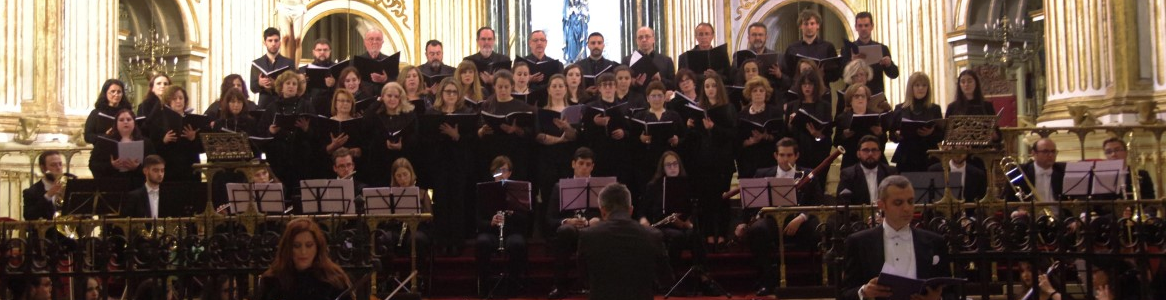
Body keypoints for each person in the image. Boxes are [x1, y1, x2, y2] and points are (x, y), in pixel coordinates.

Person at [840, 175, 951, 300]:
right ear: (882, 205)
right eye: (898, 203)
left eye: (910, 201)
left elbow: (951, 292)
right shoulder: (858, 242)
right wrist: (864, 291)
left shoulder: (935, 242)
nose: (907, 208)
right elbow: (845, 294)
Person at [736, 138, 824, 296]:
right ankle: (768, 279)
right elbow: (751, 204)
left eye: (789, 155)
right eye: (782, 155)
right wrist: (744, 222)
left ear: (797, 156)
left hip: (799, 222)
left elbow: (817, 203)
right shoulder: (762, 174)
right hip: (772, 221)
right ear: (775, 155)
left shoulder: (808, 175)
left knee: (820, 230)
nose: (785, 159)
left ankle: (817, 280)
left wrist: (802, 217)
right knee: (757, 231)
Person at [581, 183, 672, 300]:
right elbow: (666, 279)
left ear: (602, 211)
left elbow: (584, 278)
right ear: (631, 210)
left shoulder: (588, 235)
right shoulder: (653, 235)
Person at [422, 78, 476, 254]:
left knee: (458, 202)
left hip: (459, 164)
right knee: (442, 202)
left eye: (454, 92)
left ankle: (457, 242)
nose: (451, 95)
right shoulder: (432, 113)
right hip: (439, 164)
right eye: (448, 92)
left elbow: (472, 141)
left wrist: (456, 136)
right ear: (441, 94)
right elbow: (427, 139)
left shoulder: (466, 112)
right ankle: (442, 241)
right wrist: (444, 135)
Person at [545, 147, 600, 298]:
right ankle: (560, 285)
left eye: (588, 164)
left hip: (592, 231)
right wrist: (567, 221)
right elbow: (550, 219)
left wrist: (597, 221)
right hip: (570, 234)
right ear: (573, 164)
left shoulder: (600, 187)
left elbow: (607, 215)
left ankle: (598, 285)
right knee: (565, 231)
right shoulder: (559, 187)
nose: (584, 168)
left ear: (593, 167)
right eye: (581, 163)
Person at [690, 74, 737, 249]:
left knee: (722, 198)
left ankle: (723, 235)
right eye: (707, 86)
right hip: (704, 161)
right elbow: (696, 138)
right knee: (706, 200)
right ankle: (709, 235)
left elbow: (733, 134)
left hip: (722, 161)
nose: (710, 89)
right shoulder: (699, 108)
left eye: (713, 86)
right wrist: (691, 126)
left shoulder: (728, 108)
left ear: (719, 88)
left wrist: (714, 128)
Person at [474, 156, 531, 298]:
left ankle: (513, 285)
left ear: (510, 173)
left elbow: (526, 219)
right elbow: (477, 221)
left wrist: (512, 213)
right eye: (497, 171)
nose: (501, 174)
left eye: (504, 170)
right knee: (482, 242)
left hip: (512, 231)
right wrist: (491, 222)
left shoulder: (518, 191)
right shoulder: (484, 191)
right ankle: (484, 286)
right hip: (492, 232)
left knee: (517, 243)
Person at [258, 218, 353, 300]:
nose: (303, 252)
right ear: (288, 248)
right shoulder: (273, 281)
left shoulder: (334, 280)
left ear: (317, 247)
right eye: (296, 246)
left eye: (309, 245)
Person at [259, 71, 317, 200]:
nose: (291, 86)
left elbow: (317, 134)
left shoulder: (306, 105)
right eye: (288, 83)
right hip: (278, 159)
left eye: (294, 84)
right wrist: (271, 132)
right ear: (281, 86)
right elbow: (261, 136)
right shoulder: (272, 107)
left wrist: (306, 129)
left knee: (301, 197)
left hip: (301, 159)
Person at [477, 70, 536, 181]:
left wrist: (516, 129)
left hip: (515, 152)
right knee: (493, 186)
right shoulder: (487, 105)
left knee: (514, 186)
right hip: (492, 151)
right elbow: (479, 128)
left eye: (506, 87)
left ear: (512, 86)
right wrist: (482, 130)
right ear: (494, 86)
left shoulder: (522, 107)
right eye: (500, 87)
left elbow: (530, 132)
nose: (503, 90)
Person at [631, 81, 684, 191]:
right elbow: (631, 140)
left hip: (669, 161)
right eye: (653, 96)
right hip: (646, 162)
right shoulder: (639, 116)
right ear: (647, 98)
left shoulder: (674, 115)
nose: (656, 99)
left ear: (665, 97)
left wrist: (677, 140)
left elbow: (684, 137)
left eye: (660, 96)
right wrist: (640, 139)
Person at [363, 82, 419, 187]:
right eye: (389, 95)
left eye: (396, 96)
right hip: (380, 163)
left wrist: (402, 145)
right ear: (383, 96)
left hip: (402, 161)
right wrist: (378, 102)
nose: (392, 99)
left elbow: (415, 138)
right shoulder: (376, 115)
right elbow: (366, 124)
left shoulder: (409, 115)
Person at [785, 71, 833, 189]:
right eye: (804, 84)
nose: (807, 87)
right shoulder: (792, 105)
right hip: (798, 153)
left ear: (815, 86)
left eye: (810, 84)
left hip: (818, 153)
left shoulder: (825, 106)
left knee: (818, 188)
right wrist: (790, 125)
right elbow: (786, 132)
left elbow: (828, 132)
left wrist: (817, 135)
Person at [147, 85, 203, 183]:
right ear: (168, 101)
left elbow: (201, 147)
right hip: (170, 167)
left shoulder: (192, 119)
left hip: (189, 166)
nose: (178, 101)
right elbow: (152, 147)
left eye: (181, 98)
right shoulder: (159, 120)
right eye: (174, 99)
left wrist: (193, 138)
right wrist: (164, 140)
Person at [890, 72, 944, 173]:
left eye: (924, 85)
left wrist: (931, 133)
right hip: (906, 156)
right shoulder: (900, 109)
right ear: (911, 88)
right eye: (917, 85)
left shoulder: (935, 109)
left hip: (929, 156)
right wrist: (897, 135)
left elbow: (941, 135)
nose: (921, 88)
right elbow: (892, 135)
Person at [89, 109, 155, 188]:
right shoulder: (104, 142)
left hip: (138, 186)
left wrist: (137, 168)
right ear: (116, 123)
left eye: (129, 119)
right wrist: (111, 166)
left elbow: (154, 166)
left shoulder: (146, 143)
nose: (125, 122)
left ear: (134, 122)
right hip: (113, 185)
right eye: (121, 120)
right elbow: (93, 164)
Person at [842, 12, 900, 96]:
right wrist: (851, 63)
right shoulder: (848, 49)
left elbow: (894, 74)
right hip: (855, 95)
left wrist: (889, 64)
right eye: (860, 26)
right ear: (856, 27)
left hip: (876, 93)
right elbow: (841, 75)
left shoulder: (882, 48)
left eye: (866, 25)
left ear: (872, 26)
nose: (863, 28)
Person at [736, 76, 783, 180]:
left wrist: (766, 136)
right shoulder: (741, 115)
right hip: (748, 161)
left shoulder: (775, 112)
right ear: (749, 94)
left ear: (766, 93)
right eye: (754, 91)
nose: (758, 93)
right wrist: (749, 142)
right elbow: (737, 140)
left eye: (761, 91)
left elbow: (782, 136)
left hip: (768, 160)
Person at [833, 84, 887, 169]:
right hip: (851, 160)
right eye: (856, 96)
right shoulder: (843, 118)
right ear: (850, 100)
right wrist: (844, 136)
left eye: (863, 96)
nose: (860, 99)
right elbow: (836, 143)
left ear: (867, 99)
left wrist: (880, 134)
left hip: (873, 160)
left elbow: (883, 142)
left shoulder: (876, 116)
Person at [836, 135, 899, 205]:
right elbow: (842, 202)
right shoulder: (848, 174)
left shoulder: (890, 172)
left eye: (874, 150)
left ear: (880, 153)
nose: (870, 154)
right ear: (858, 154)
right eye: (866, 150)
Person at [783, 10, 841, 84]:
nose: (809, 27)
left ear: (818, 25)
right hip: (799, 91)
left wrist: (823, 75)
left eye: (812, 23)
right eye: (806, 24)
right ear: (800, 26)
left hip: (822, 91)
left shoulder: (828, 47)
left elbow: (835, 76)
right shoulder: (792, 48)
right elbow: (787, 74)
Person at [1011, 138, 1065, 214]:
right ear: (1033, 153)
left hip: (1060, 218)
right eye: (1045, 151)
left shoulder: (1062, 171)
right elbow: (1009, 199)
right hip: (1031, 219)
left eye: (1053, 151)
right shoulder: (1020, 171)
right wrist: (1017, 210)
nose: (1050, 155)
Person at [23, 151, 76, 221]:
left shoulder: (71, 183)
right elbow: (29, 216)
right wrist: (48, 195)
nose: (58, 168)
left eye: (60, 164)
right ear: (43, 168)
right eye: (53, 165)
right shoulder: (31, 192)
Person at [251, 27, 296, 108]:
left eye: (276, 40)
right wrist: (260, 83)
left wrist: (276, 84)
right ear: (265, 43)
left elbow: (295, 86)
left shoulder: (289, 63)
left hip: (284, 104)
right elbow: (253, 88)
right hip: (264, 105)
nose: (273, 43)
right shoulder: (257, 63)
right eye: (270, 40)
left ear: (280, 42)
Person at [622, 27, 676, 91]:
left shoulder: (666, 60)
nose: (644, 40)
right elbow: (621, 84)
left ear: (653, 39)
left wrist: (660, 79)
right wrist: (635, 82)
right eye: (640, 37)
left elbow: (674, 85)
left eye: (647, 36)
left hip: (659, 98)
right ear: (636, 41)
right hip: (636, 98)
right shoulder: (627, 60)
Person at [84, 79, 135, 144]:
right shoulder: (96, 113)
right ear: (105, 93)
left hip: (124, 149)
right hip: (102, 150)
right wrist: (106, 136)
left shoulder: (128, 113)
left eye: (119, 92)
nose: (116, 94)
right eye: (113, 91)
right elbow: (88, 136)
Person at [300, 38, 338, 108]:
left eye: (325, 50)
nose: (322, 52)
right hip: (311, 106)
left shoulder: (337, 68)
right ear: (313, 52)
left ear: (330, 51)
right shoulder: (304, 70)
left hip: (332, 106)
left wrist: (334, 83)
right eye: (319, 50)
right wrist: (303, 82)